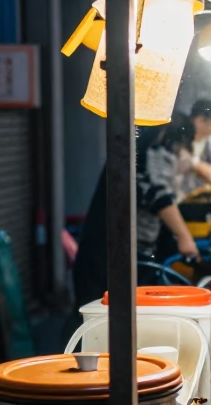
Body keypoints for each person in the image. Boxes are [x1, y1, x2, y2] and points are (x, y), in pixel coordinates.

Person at [72, 116, 199, 309]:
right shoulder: (153, 148)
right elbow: (158, 194)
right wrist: (184, 237)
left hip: (115, 250)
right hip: (113, 255)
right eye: (179, 147)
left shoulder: (141, 145)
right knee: (103, 315)